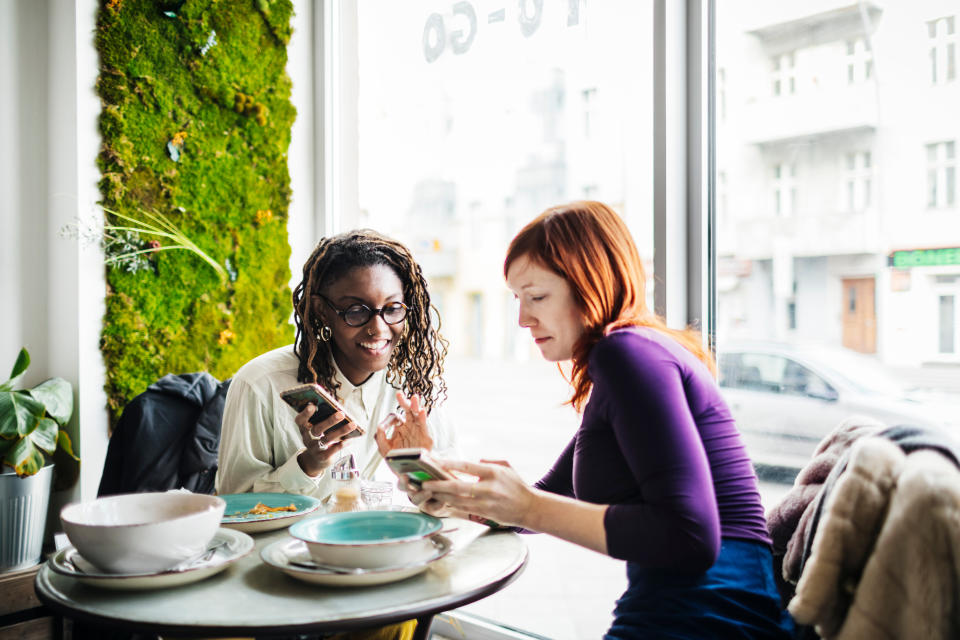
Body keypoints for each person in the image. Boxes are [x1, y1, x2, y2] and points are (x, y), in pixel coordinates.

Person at [402, 202, 795, 639]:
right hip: (695, 608)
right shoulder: (632, 357)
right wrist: (458, 498)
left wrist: (526, 505)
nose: (522, 319)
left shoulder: (625, 355)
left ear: (590, 285)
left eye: (537, 297)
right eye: (518, 299)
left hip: (709, 615)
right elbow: (544, 499)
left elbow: (690, 537)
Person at [216, 229, 456, 502]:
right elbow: (233, 507)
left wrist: (419, 470)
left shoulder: (413, 385)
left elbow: (451, 503)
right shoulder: (259, 384)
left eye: (392, 309)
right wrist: (309, 465)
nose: (378, 329)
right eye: (356, 311)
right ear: (321, 310)